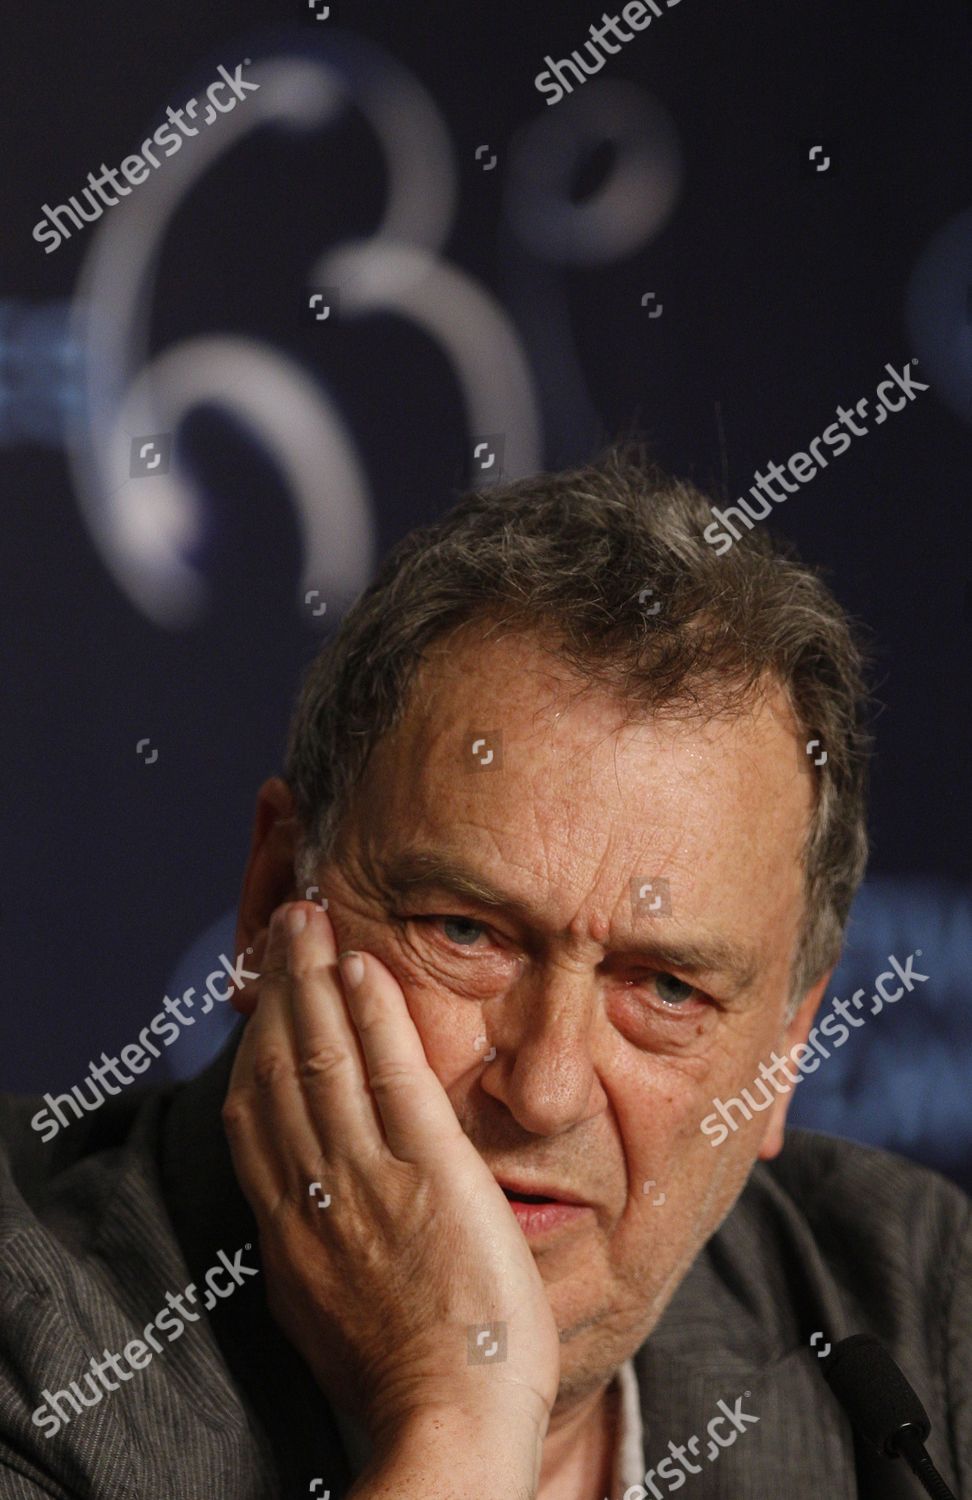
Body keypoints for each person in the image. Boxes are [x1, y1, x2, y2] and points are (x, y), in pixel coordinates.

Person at [1, 444, 968, 1500]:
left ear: (786, 1051)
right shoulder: (29, 1340)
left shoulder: (919, 1315)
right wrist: (458, 1414)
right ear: (275, 902)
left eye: (667, 989)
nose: (545, 1089)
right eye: (465, 932)